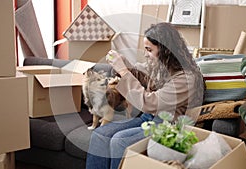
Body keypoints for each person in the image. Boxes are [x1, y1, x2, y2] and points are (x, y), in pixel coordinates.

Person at [86, 22, 205, 169]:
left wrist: (124, 72)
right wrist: (125, 65)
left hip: (167, 125)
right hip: (147, 118)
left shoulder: (187, 79)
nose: (145, 54)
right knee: (100, 134)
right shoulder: (161, 66)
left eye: (149, 50)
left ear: (165, 50)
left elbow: (150, 103)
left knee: (119, 141)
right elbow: (141, 73)